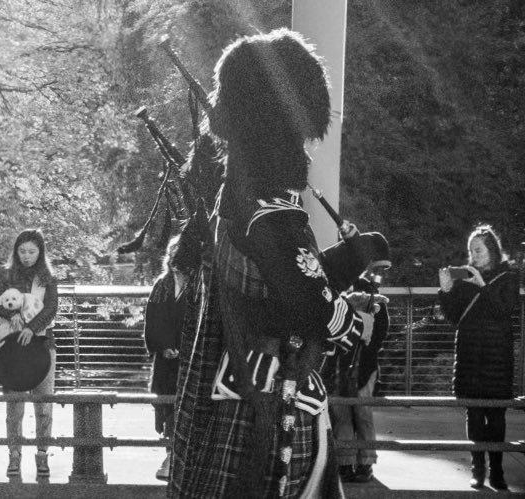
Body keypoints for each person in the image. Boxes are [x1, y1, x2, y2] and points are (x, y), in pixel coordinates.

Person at [168, 28, 361, 499]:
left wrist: (341, 260)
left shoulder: (234, 198)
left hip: (229, 385)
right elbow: (313, 308)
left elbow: (274, 280)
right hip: (269, 396)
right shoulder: (274, 208)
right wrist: (349, 315)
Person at [438, 224, 520, 491]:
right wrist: (446, 291)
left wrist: (482, 286)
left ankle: (497, 472)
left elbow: (503, 311)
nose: (474, 254)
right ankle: (478, 471)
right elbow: (454, 318)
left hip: (497, 357)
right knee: (473, 416)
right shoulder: (465, 278)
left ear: (492, 250)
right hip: (470, 356)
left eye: (479, 249)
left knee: (496, 418)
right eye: (471, 250)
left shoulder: (508, 278)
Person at [0, 229, 59, 479]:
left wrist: (32, 327)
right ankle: (14, 455)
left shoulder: (47, 278)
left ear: (40, 253)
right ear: (16, 252)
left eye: (32, 251)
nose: (27, 256)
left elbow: (51, 308)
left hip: (42, 344)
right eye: (22, 251)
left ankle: (42, 455)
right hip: (12, 350)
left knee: (43, 404)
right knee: (14, 406)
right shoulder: (7, 276)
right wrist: (9, 314)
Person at [141, 218, 202, 482]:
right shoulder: (162, 285)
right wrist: (163, 346)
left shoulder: (197, 286)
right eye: (173, 253)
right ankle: (169, 454)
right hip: (166, 360)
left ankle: (185, 457)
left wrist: (184, 348)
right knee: (167, 408)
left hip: (189, 358)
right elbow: (152, 320)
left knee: (187, 406)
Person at [328, 234, 392, 484]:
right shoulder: (350, 288)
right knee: (350, 413)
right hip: (350, 363)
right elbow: (382, 329)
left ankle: (360, 463)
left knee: (355, 413)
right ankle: (351, 462)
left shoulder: (364, 290)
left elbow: (381, 328)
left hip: (354, 363)